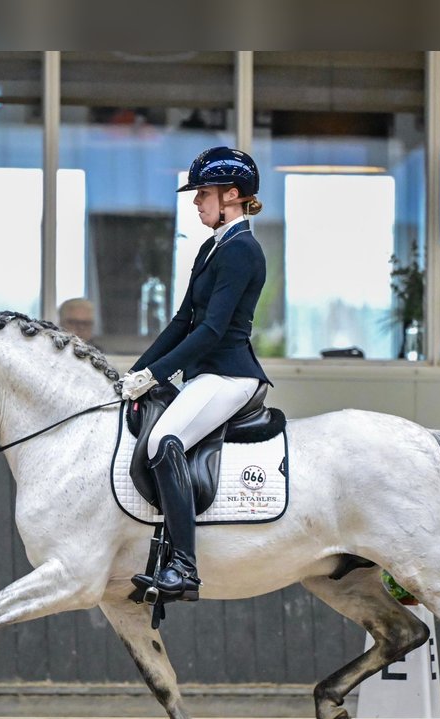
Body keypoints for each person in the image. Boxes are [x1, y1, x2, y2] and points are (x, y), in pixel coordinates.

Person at [118, 147, 271, 603]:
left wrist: (157, 375)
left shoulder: (243, 249)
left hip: (230, 375)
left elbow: (211, 330)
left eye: (203, 193)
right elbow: (182, 321)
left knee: (166, 443)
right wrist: (138, 370)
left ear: (233, 195)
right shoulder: (212, 247)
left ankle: (183, 567)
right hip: (206, 375)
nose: (196, 202)